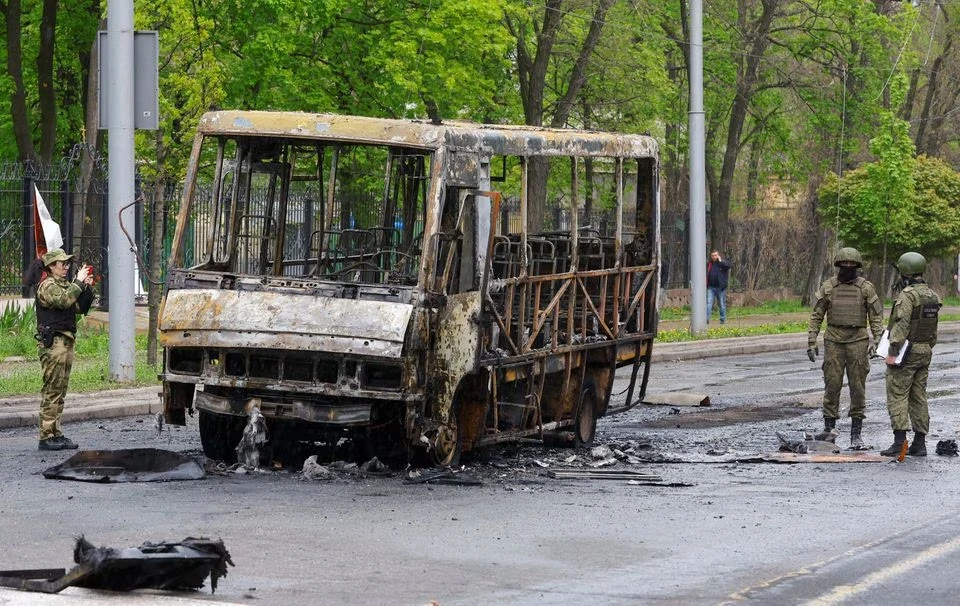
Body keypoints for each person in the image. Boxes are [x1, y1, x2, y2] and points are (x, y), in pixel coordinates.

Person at [806, 247, 882, 448]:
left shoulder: (866, 288)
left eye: (852, 264)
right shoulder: (828, 287)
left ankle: (856, 433)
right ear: (838, 265)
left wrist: (878, 341)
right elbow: (817, 314)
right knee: (832, 384)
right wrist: (811, 340)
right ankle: (829, 428)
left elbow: (875, 317)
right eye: (844, 264)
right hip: (833, 339)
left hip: (858, 340)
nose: (847, 267)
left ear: (857, 266)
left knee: (857, 386)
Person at [880, 252, 941, 457]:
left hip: (907, 351)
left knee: (897, 393)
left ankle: (899, 442)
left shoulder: (907, 296)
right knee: (919, 396)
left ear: (904, 272)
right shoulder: (932, 296)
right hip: (925, 350)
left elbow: (901, 325)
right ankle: (919, 443)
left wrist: (892, 351)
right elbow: (933, 328)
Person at [34, 248, 95, 451]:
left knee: (61, 390)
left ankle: (55, 432)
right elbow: (64, 300)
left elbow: (77, 308)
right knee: (52, 389)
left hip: (66, 341)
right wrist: (78, 282)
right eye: (63, 264)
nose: (66, 267)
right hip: (53, 343)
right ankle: (46, 435)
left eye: (68, 264)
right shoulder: (48, 286)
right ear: (52, 266)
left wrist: (86, 288)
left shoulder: (64, 285)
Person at [706, 250, 731, 324]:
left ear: (718, 255)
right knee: (709, 303)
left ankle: (722, 319)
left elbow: (728, 266)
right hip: (711, 287)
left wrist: (721, 261)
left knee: (721, 304)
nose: (714, 257)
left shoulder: (722, 264)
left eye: (715, 255)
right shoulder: (710, 264)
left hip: (720, 288)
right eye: (712, 255)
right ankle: (706, 319)